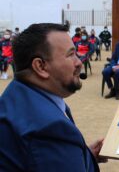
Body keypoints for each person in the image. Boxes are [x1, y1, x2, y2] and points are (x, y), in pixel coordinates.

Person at [0, 23, 106, 171]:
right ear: (40, 67)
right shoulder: (49, 127)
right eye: (70, 55)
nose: (79, 62)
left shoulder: (16, 94)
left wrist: (84, 155)